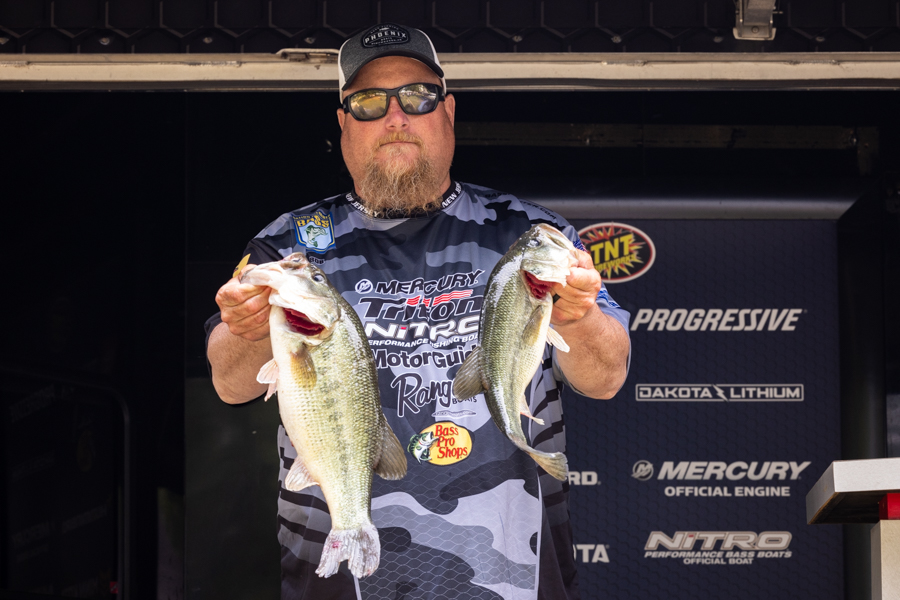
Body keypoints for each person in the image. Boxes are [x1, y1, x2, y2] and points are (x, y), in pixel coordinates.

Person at [206, 23, 630, 600]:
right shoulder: (288, 247)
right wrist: (246, 327)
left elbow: (607, 376)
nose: (394, 117)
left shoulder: (531, 235)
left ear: (448, 112)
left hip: (511, 577)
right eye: (368, 102)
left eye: (417, 96)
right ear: (343, 123)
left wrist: (578, 317)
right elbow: (230, 383)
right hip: (338, 578)